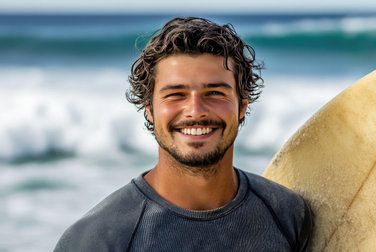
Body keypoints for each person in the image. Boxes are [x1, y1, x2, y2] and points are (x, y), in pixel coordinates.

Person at [54, 17, 313, 252]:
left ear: (242, 107)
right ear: (150, 111)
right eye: (176, 94)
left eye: (215, 93)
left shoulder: (287, 214)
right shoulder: (96, 239)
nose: (195, 111)